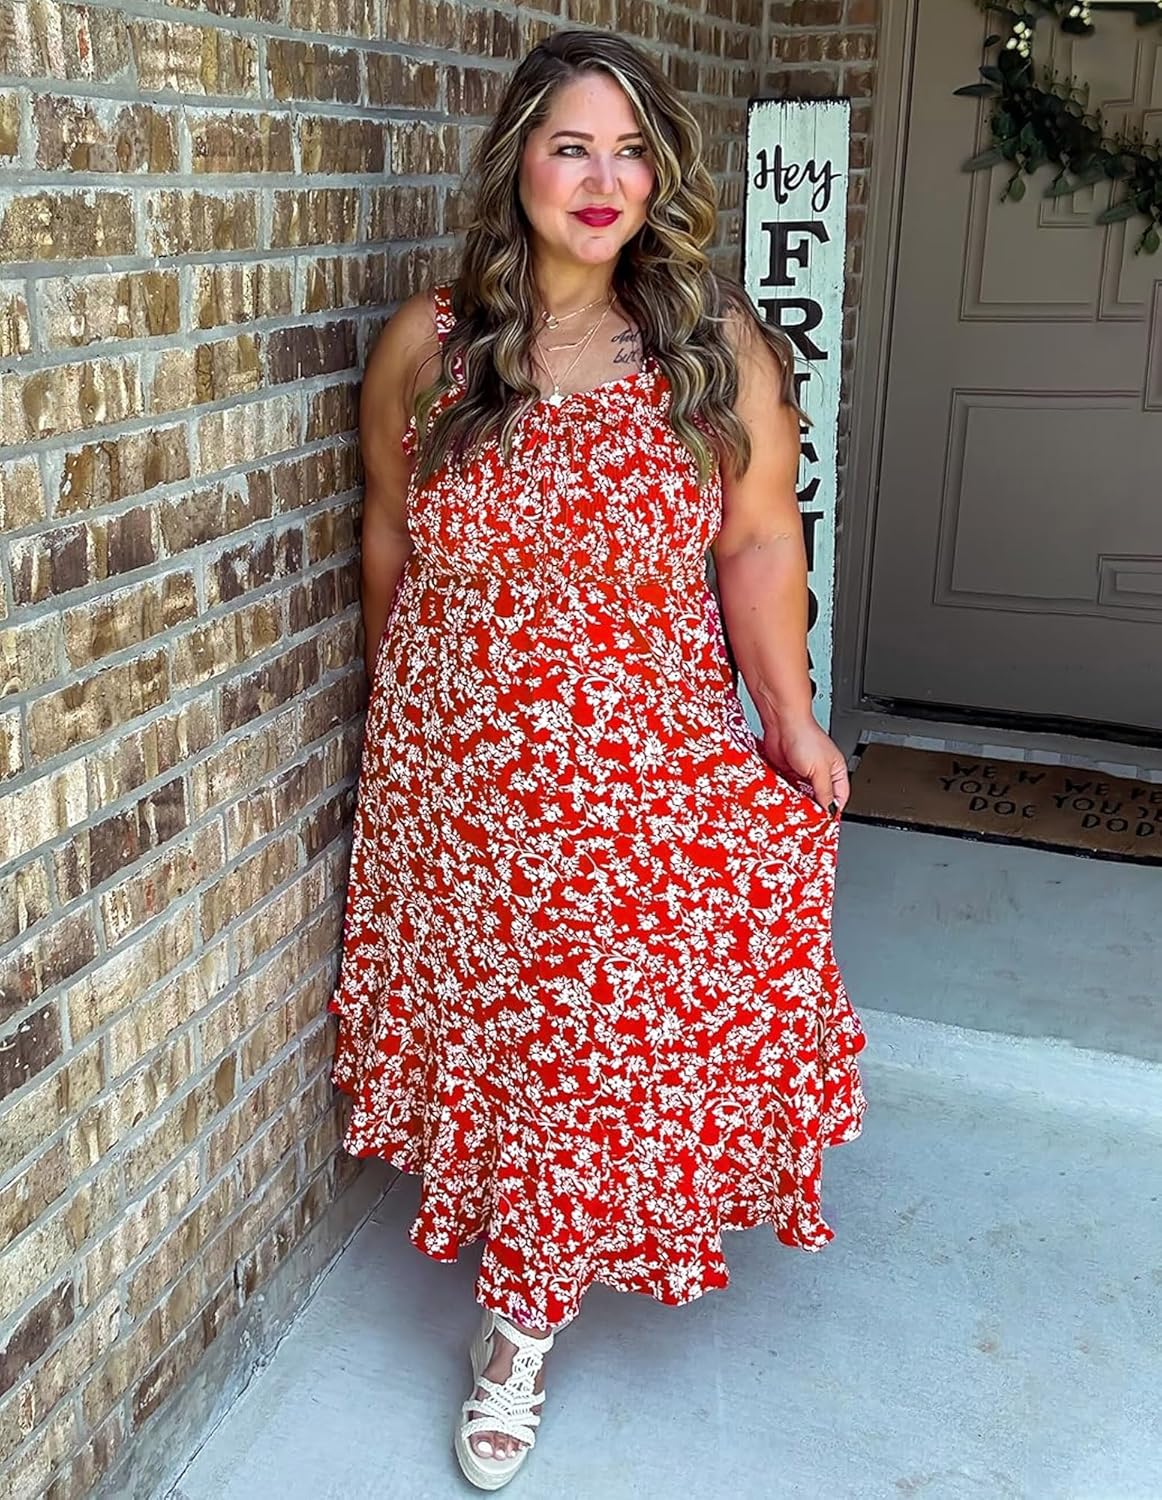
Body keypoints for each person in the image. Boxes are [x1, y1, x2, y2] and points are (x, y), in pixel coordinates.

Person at [328, 27, 866, 1491]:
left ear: (660, 179)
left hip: (635, 756)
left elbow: (758, 539)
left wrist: (790, 714)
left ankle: (517, 1328)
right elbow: (390, 530)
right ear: (518, 161)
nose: (602, 179)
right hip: (462, 766)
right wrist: (397, 716)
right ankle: (522, 1252)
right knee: (510, 1030)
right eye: (572, 145)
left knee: (586, 1033)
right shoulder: (432, 347)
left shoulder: (711, 348)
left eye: (629, 152)